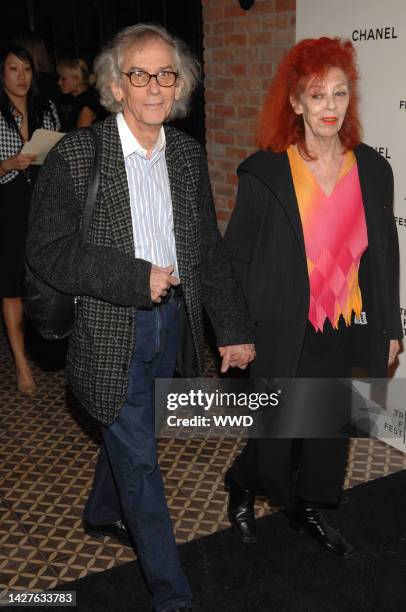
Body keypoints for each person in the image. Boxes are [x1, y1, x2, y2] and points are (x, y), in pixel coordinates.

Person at [27, 23, 255, 612]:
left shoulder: (185, 154)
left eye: (165, 74)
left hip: (172, 323)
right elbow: (47, 249)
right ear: (116, 85)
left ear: (179, 85)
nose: (154, 87)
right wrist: (134, 277)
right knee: (142, 462)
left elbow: (206, 246)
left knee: (131, 435)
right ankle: (172, 595)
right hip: (109, 328)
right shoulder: (78, 156)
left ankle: (103, 509)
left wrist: (231, 329)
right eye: (139, 74)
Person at [224, 37, 402, 558]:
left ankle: (307, 507)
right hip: (281, 327)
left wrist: (389, 326)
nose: (330, 107)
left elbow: (383, 257)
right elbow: (234, 258)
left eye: (340, 94)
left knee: (324, 431)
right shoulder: (266, 173)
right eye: (317, 95)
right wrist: (234, 331)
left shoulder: (372, 169)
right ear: (296, 102)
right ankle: (243, 481)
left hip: (342, 325)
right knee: (279, 430)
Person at [0, 43, 60, 395]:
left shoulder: (46, 108)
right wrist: (8, 164)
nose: (21, 76)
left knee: (46, 278)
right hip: (8, 204)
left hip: (43, 201)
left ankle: (53, 347)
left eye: (26, 69)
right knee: (11, 288)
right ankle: (22, 365)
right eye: (13, 69)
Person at [56, 57, 108, 130]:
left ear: (77, 79)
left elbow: (80, 139)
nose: (59, 82)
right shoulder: (79, 101)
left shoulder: (88, 103)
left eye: (63, 78)